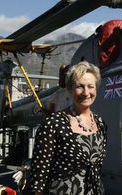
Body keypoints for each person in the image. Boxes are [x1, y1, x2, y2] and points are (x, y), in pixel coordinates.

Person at [30, 61, 107, 195]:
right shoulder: (53, 124)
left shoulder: (100, 123)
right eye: (80, 86)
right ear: (70, 88)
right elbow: (38, 177)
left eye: (90, 86)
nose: (86, 92)